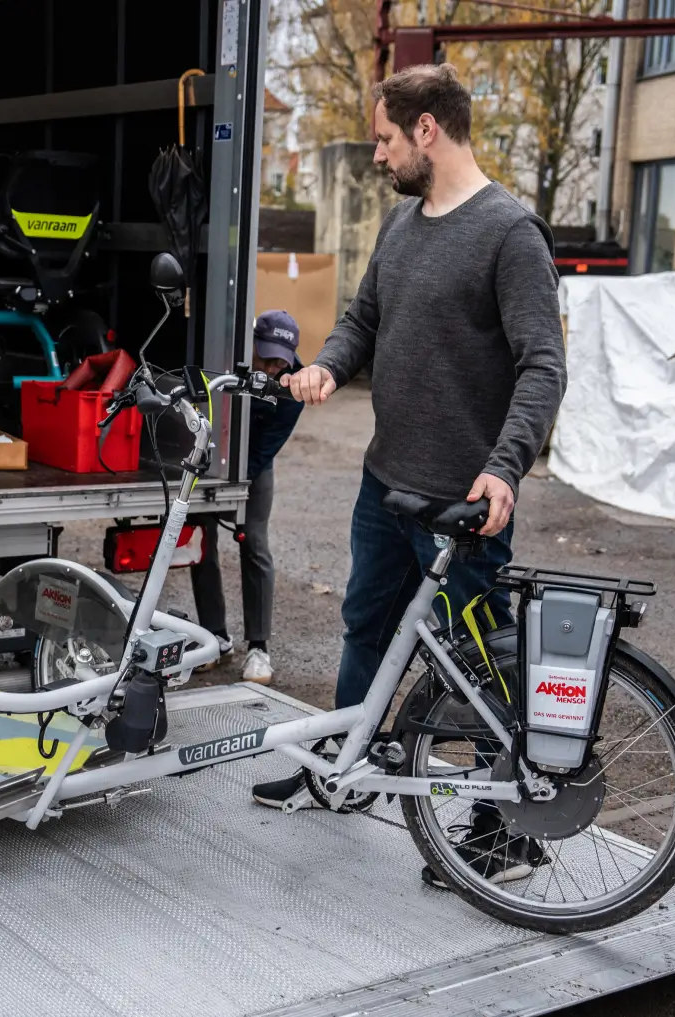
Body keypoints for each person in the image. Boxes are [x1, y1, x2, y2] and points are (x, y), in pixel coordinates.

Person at [250, 63, 567, 888]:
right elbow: (363, 319)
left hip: (463, 506)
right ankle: (341, 768)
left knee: (477, 662)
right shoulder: (400, 225)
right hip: (384, 482)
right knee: (365, 627)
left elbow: (542, 366)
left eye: (385, 138)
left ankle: (507, 829)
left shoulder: (509, 234)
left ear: (427, 130)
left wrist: (505, 469)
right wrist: (325, 368)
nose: (379, 155)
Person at [190, 310, 304, 684]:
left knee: (253, 543)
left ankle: (259, 648)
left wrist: (237, 486)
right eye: (265, 357)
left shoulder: (291, 390)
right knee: (199, 541)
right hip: (208, 460)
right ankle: (214, 636)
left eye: (279, 363)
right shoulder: (224, 362)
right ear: (250, 344)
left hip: (254, 465)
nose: (271, 369)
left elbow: (264, 450)